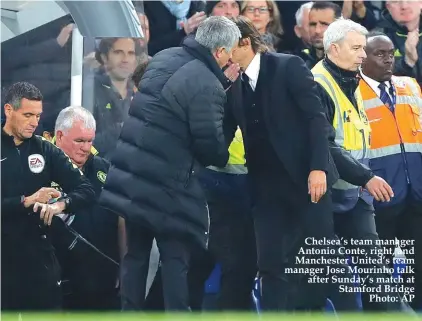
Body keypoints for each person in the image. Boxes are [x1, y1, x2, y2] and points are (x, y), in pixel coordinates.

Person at [99, 16, 241, 311]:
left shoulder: (163, 57)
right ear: (218, 52)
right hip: (170, 188)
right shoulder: (207, 84)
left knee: (135, 255)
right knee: (176, 260)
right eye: (229, 50)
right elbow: (212, 150)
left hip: (134, 175)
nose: (231, 56)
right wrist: (229, 121)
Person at [227, 16, 353, 312]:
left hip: (308, 181)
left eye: (226, 45)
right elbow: (221, 134)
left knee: (314, 262)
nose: (220, 52)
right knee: (270, 263)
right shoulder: (232, 85)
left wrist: (319, 167)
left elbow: (316, 119)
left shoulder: (287, 65)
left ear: (245, 43)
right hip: (265, 188)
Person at [311, 19, 405, 311]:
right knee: (335, 282)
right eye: (356, 48)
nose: (363, 55)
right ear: (334, 49)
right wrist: (366, 177)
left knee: (375, 272)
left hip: (356, 194)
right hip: (326, 195)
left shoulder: (352, 78)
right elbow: (325, 145)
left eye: (364, 48)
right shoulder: (317, 84)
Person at [1, 82, 95, 311]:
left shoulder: (44, 149)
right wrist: (26, 201)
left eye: (38, 115)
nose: (34, 122)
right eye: (28, 115)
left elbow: (86, 190)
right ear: (8, 110)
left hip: (38, 258)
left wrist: (61, 205)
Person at [359, 32, 422, 310]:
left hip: (416, 193)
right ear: (363, 57)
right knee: (378, 275)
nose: (388, 59)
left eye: (391, 53)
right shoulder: (352, 90)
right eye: (379, 54)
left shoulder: (410, 85)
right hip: (378, 197)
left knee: (419, 267)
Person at [48, 106, 125, 311]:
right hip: (59, 286)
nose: (86, 148)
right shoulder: (40, 170)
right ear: (60, 136)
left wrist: (126, 266)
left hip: (104, 282)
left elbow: (121, 219)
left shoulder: (104, 169)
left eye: (90, 141)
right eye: (79, 141)